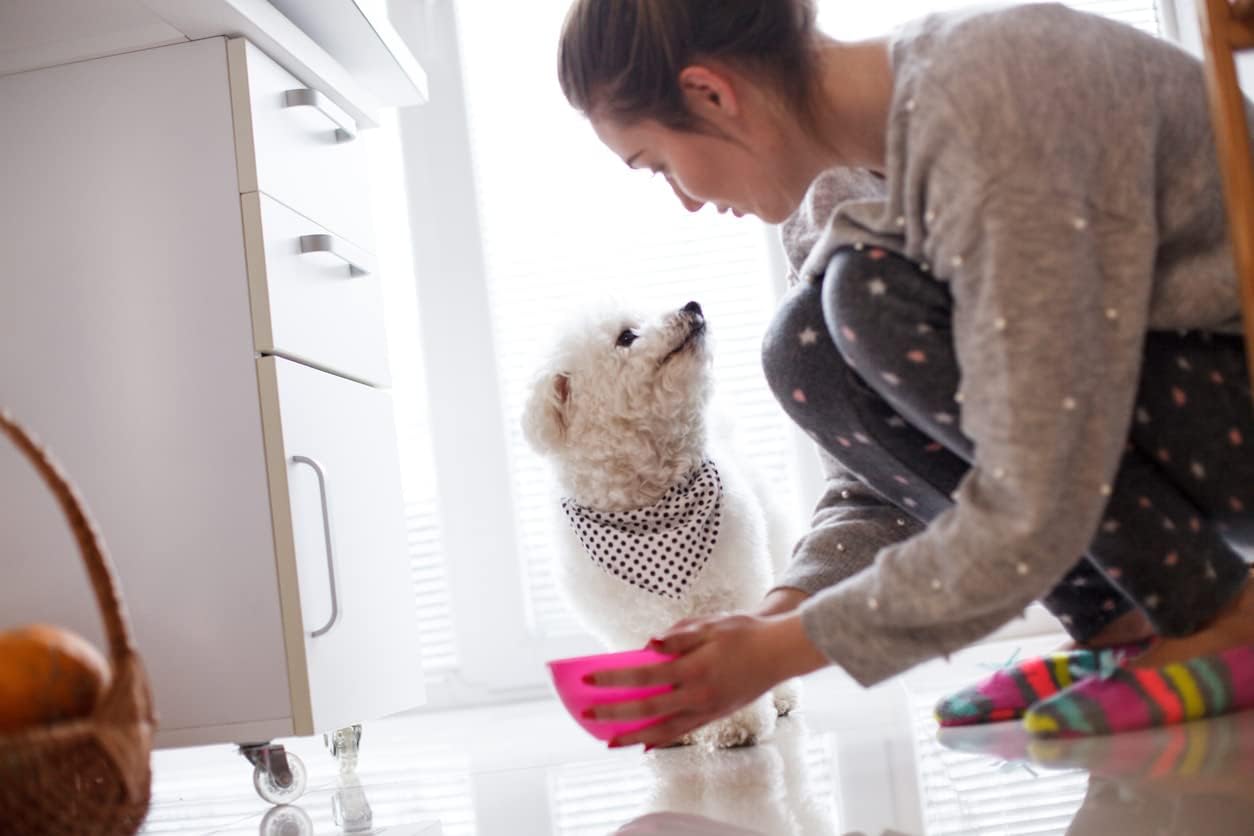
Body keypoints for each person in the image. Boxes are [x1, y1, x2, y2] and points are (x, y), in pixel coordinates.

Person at [556, 0, 1254, 747]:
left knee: (864, 297)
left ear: (711, 94)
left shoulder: (994, 94)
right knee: (805, 346)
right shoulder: (832, 201)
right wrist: (764, 624)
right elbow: (884, 478)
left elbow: (1046, 476)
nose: (687, 202)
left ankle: (1223, 618)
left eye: (659, 164)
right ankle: (1126, 623)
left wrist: (787, 650)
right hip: (1170, 426)